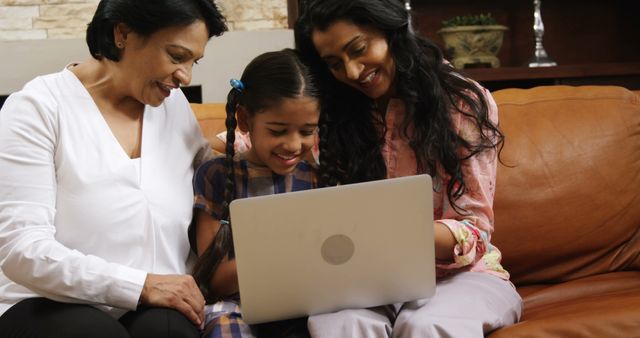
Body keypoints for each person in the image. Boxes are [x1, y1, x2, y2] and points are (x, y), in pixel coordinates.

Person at [294, 0, 523, 337]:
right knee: (337, 323)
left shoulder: (460, 103)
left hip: (464, 276)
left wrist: (388, 233)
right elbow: (266, 136)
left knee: (423, 326)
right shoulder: (333, 114)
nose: (352, 72)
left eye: (358, 49)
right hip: (366, 281)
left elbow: (474, 231)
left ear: (391, 31)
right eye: (334, 64)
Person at [0, 0, 227, 337]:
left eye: (194, 62)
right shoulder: (37, 108)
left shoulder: (172, 104)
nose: (186, 76)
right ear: (123, 34)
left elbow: (206, 171)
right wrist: (141, 285)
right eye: (177, 56)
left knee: (169, 331)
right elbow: (21, 249)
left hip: (154, 305)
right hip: (48, 303)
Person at [190, 48, 321, 338]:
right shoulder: (216, 175)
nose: (293, 144)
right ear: (245, 120)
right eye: (277, 131)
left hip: (299, 303)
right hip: (233, 303)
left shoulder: (316, 178)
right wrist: (287, 254)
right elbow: (216, 281)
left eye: (307, 131)